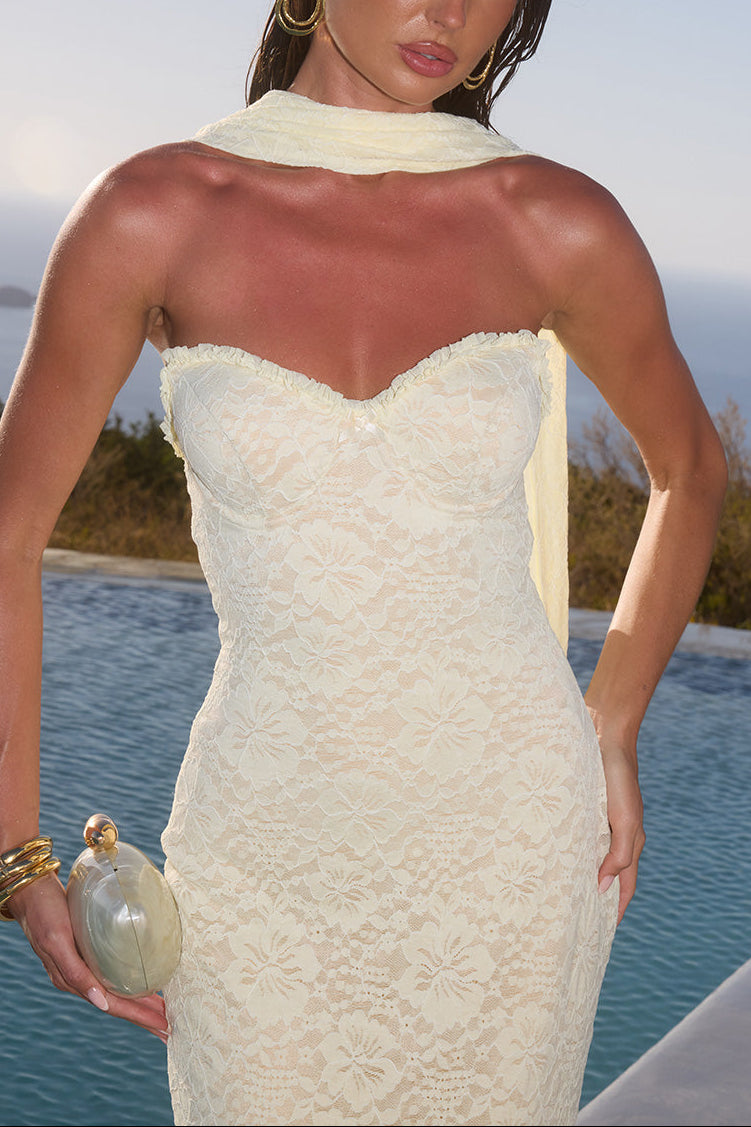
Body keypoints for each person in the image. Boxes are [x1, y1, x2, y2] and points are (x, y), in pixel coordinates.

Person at [0, 1, 727, 1124]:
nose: (450, 12)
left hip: (512, 845)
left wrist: (613, 723)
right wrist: (17, 856)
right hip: (263, 852)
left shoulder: (552, 219)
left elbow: (689, 466)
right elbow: (9, 537)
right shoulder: (153, 211)